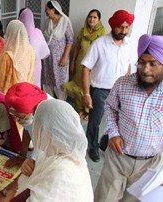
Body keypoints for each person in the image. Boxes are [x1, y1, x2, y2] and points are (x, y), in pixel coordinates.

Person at [94, 34, 163, 202]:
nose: (146, 69)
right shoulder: (123, 84)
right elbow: (110, 107)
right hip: (118, 157)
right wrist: (113, 133)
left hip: (150, 164)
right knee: (105, 198)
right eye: (142, 62)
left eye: (153, 64)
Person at [0, 100, 93, 202]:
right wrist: (27, 170)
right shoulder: (63, 154)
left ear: (48, 133)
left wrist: (9, 194)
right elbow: (35, 171)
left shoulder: (61, 177)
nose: (36, 133)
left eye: (39, 128)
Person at [81, 10, 134, 162]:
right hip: (100, 91)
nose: (123, 31)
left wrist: (127, 86)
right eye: (120, 27)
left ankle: (104, 142)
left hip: (120, 90)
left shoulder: (128, 44)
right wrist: (86, 93)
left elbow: (127, 66)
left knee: (116, 120)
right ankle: (92, 146)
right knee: (95, 121)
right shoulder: (100, 44)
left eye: (126, 27)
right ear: (113, 26)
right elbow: (85, 67)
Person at [63, 9, 107, 118]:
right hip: (81, 64)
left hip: (94, 66)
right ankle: (80, 109)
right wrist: (73, 62)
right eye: (90, 17)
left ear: (99, 20)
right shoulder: (83, 30)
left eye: (94, 17)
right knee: (78, 88)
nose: (91, 19)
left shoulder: (103, 33)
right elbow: (77, 47)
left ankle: (90, 111)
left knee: (89, 89)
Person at [3, 82, 50, 168]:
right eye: (13, 114)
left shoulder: (47, 115)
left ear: (30, 111)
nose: (15, 119)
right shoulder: (29, 110)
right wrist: (22, 156)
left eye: (18, 116)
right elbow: (27, 129)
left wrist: (30, 163)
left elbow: (42, 148)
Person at [42, 0, 74, 100]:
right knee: (47, 79)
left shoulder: (65, 21)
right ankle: (49, 101)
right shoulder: (47, 22)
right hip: (47, 58)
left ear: (53, 9)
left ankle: (61, 103)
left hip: (60, 59)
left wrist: (65, 57)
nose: (45, 11)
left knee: (60, 80)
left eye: (47, 9)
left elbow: (70, 40)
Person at [0, 20, 36, 94]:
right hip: (28, 92)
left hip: (12, 97)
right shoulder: (31, 51)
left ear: (10, 34)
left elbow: (0, 80)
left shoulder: (7, 56)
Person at [19, 8, 50, 88]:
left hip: (22, 65)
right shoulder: (38, 32)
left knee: (25, 87)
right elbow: (45, 51)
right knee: (35, 85)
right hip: (36, 64)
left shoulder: (19, 33)